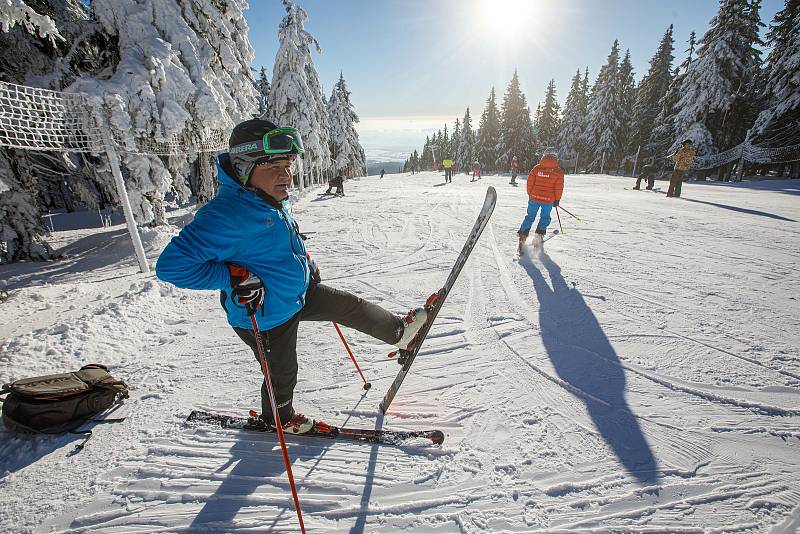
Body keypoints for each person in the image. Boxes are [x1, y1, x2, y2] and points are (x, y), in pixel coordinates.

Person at [156, 119, 429, 434]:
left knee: (349, 306)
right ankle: (279, 419)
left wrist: (304, 262)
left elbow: (279, 240)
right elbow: (171, 266)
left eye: (288, 166)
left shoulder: (265, 198)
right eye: (274, 166)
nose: (286, 175)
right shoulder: (225, 215)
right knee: (282, 372)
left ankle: (399, 333)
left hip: (296, 292)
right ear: (245, 166)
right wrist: (232, 275)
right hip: (265, 314)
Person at [518, 152, 564, 250]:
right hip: (548, 200)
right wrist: (557, 199)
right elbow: (559, 187)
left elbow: (530, 182)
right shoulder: (558, 171)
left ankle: (523, 236)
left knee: (530, 217)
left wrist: (530, 194)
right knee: (545, 217)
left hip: (534, 197)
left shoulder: (537, 168)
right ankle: (538, 236)